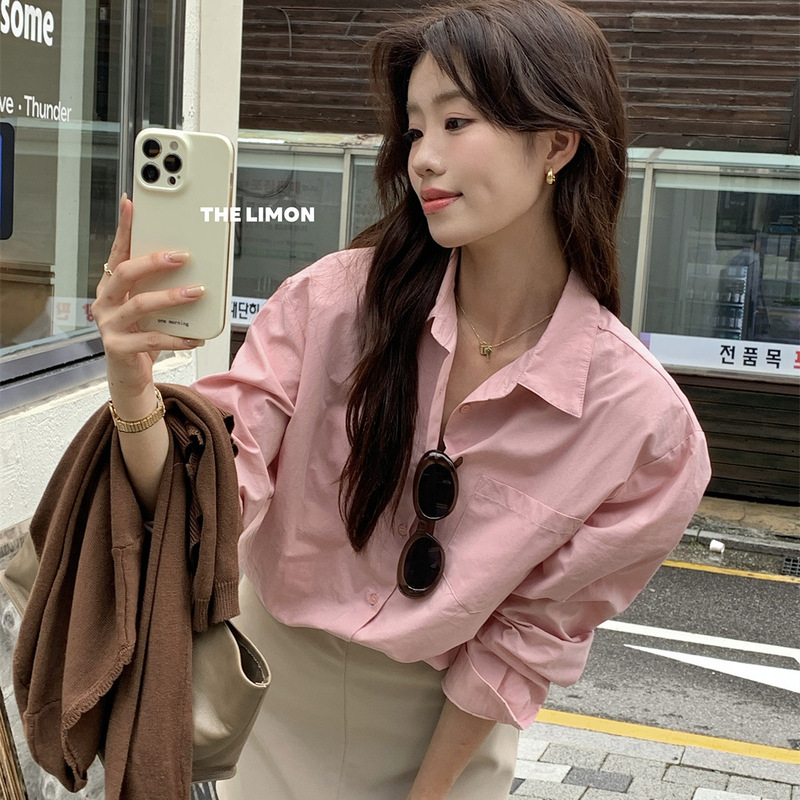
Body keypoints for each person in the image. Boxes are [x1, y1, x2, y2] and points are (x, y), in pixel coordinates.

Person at [92, 1, 711, 798]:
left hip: (447, 737)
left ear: (558, 143)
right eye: (415, 130)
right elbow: (205, 497)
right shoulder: (330, 305)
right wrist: (132, 382)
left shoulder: (644, 427)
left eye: (456, 122)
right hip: (267, 706)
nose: (423, 157)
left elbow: (527, 636)